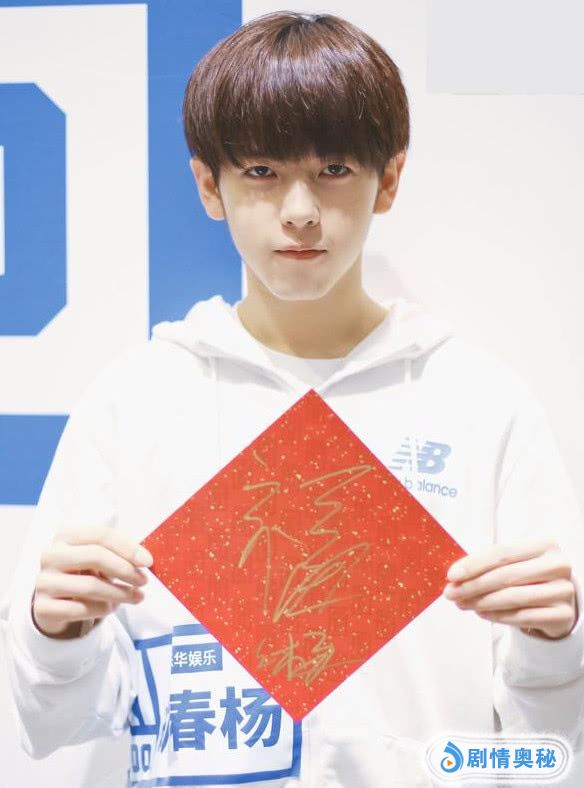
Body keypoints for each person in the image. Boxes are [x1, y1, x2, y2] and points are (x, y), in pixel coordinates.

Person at [2, 10, 584, 788]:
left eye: (334, 168)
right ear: (208, 185)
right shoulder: (135, 402)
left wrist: (555, 644)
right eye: (261, 171)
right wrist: (54, 634)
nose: (301, 210)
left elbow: (548, 745)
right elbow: (49, 725)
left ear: (390, 179)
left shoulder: (482, 404)